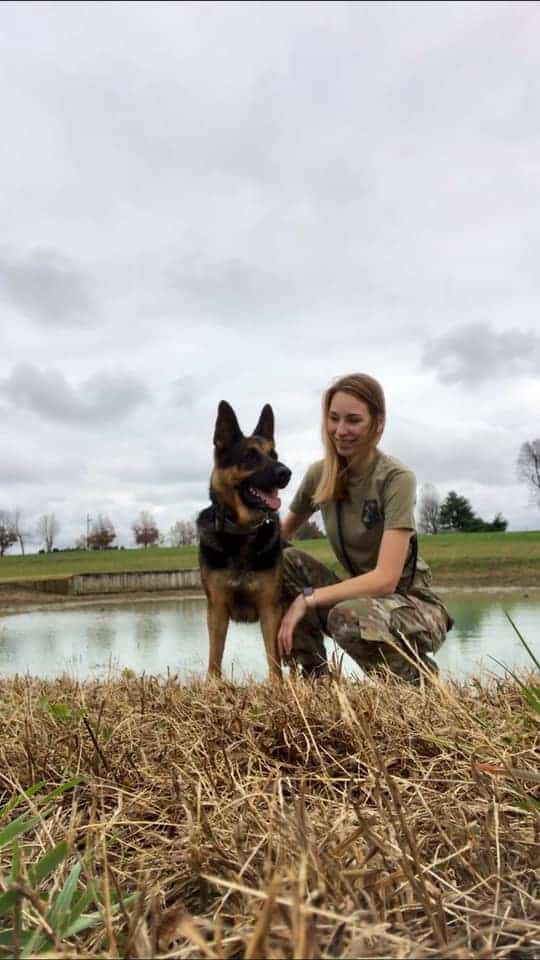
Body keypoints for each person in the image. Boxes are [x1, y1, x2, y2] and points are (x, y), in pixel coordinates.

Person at [277, 373, 452, 683]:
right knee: (281, 560)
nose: (340, 431)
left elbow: (386, 580)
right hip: (360, 600)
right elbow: (276, 538)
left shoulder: (396, 478)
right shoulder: (320, 474)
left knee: (346, 616)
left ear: (377, 423)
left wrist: (307, 597)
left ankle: (417, 682)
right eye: (334, 419)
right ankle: (315, 678)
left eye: (353, 420)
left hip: (414, 607)